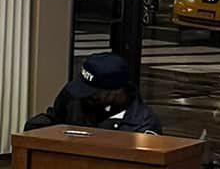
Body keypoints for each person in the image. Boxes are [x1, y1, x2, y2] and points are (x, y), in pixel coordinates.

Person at [25, 53, 163, 135]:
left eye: (94, 93)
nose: (86, 97)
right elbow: (55, 119)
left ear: (116, 92)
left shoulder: (142, 125)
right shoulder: (74, 97)